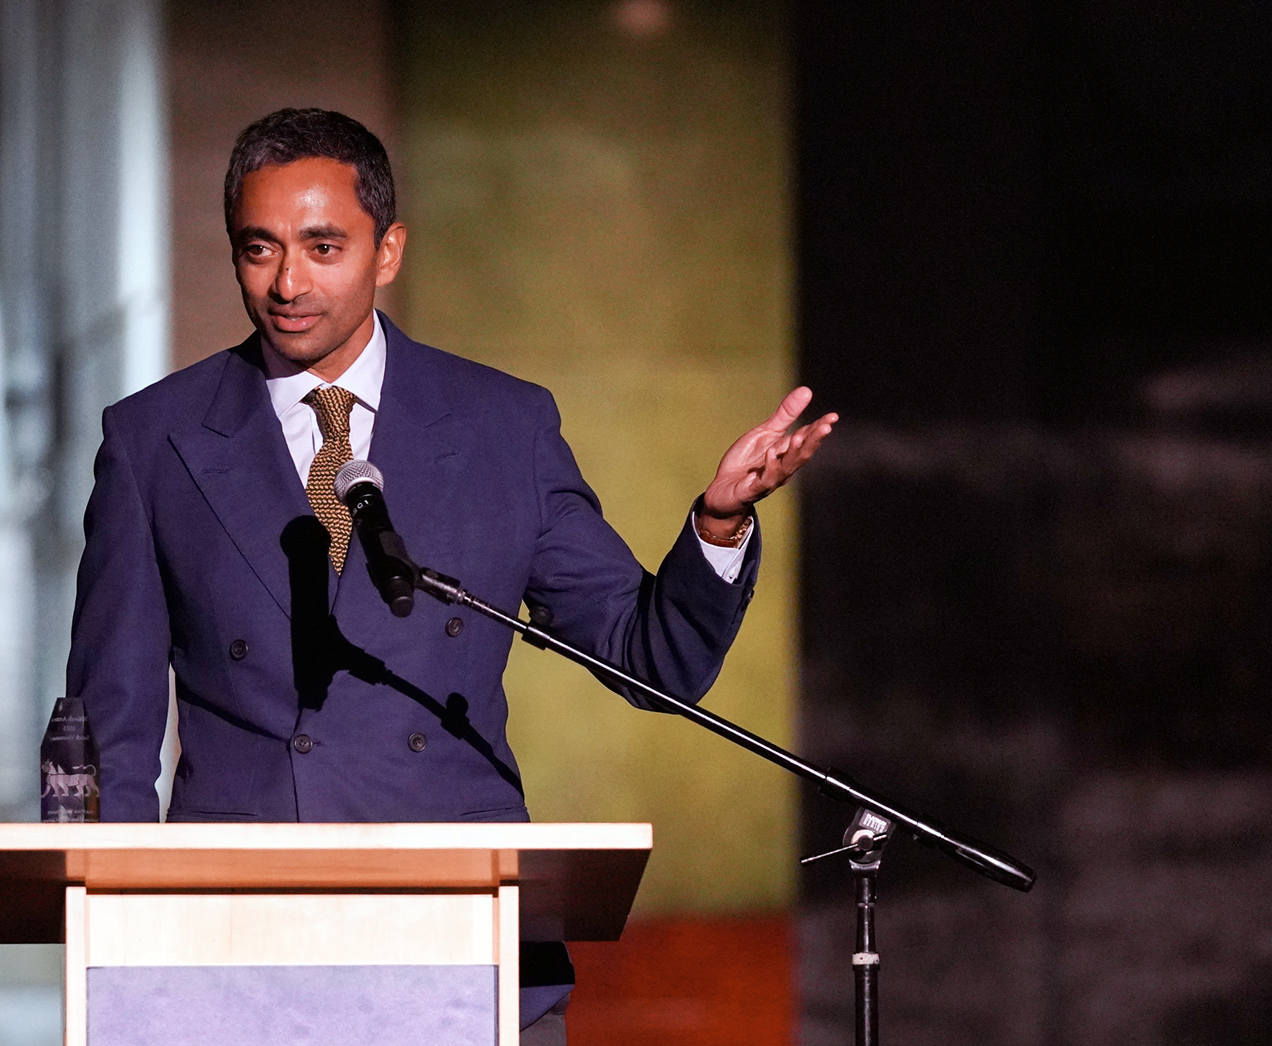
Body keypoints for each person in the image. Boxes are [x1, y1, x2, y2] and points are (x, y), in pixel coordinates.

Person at [64, 108, 835, 1044]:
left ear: (388, 251)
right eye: (258, 249)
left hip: (463, 933)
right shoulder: (154, 438)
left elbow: (651, 659)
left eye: (322, 246)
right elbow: (109, 725)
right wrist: (121, 947)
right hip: (238, 939)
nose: (287, 283)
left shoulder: (503, 426)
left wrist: (718, 522)